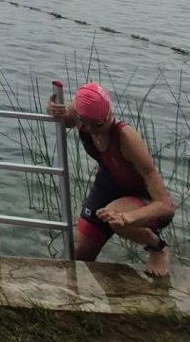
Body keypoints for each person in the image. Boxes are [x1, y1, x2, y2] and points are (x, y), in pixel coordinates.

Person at [47, 81, 174, 277]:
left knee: (115, 218)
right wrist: (52, 110)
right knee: (76, 257)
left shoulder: (126, 138)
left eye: (98, 125)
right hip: (107, 186)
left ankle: (158, 247)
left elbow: (165, 206)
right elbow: (66, 118)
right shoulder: (80, 114)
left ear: (109, 115)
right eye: (86, 124)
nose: (92, 130)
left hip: (142, 197)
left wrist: (128, 218)